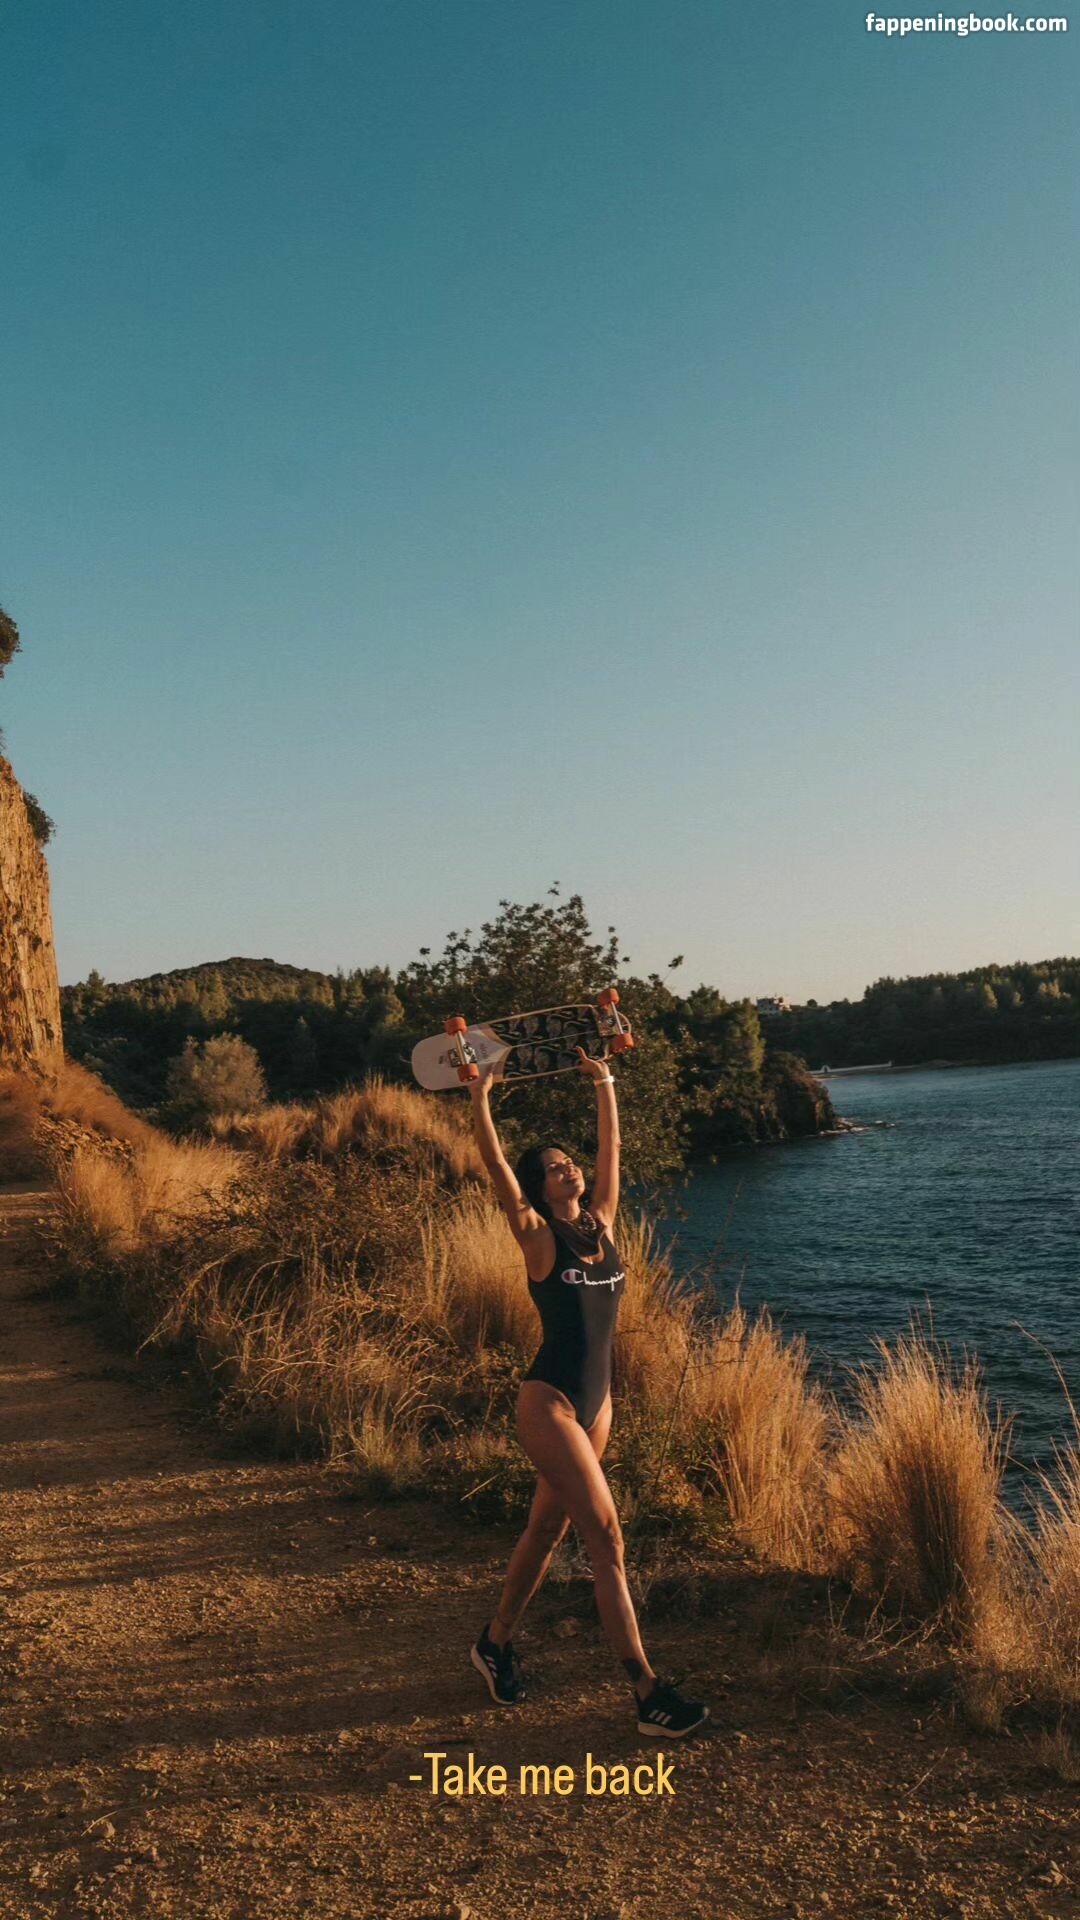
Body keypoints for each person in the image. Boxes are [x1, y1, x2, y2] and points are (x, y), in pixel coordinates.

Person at [466, 1045, 710, 1739]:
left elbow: (613, 1151)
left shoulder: (600, 1221)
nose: (567, 1168)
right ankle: (647, 1691)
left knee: (547, 1530)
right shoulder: (539, 1239)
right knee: (606, 1537)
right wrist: (480, 1098)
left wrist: (603, 1079)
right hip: (550, 1404)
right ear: (539, 1189)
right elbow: (496, 1170)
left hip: (598, 1407)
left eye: (568, 1161)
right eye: (552, 1167)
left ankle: (494, 1642)